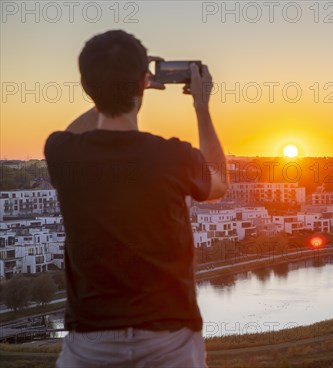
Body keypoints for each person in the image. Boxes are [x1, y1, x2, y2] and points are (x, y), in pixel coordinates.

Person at [45, 30, 228, 367]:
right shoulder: (174, 157)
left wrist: (117, 86)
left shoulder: (62, 153)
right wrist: (201, 106)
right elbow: (219, 183)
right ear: (144, 81)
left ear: (86, 86)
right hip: (170, 341)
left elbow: (76, 131)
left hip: (90, 344)